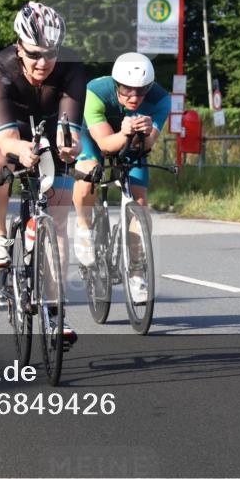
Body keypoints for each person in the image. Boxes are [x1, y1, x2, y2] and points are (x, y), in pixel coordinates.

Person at [0, 1, 84, 346]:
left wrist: (68, 147)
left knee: (59, 217)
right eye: (33, 54)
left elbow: (70, 131)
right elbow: (6, 141)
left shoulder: (73, 69)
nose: (42, 63)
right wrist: (24, 151)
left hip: (46, 118)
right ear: (19, 46)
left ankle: (54, 311)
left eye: (50, 54)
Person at [72, 52, 171, 303]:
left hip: (133, 144)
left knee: (140, 202)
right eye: (128, 91)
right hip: (93, 136)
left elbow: (147, 145)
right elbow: (105, 144)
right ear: (117, 84)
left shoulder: (160, 99)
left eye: (141, 91)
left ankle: (137, 273)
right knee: (88, 176)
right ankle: (83, 228)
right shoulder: (95, 92)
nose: (135, 97)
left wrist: (144, 133)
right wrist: (125, 130)